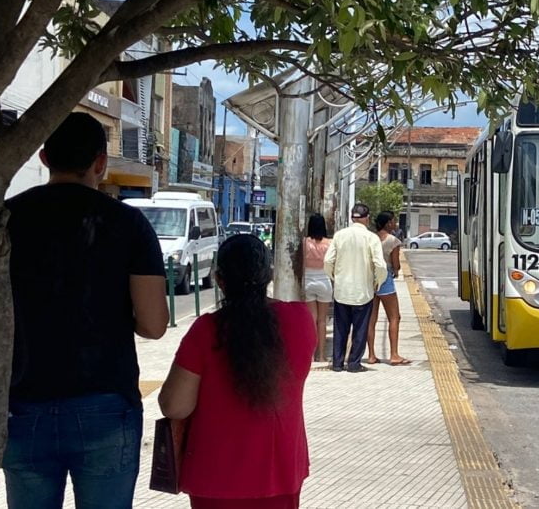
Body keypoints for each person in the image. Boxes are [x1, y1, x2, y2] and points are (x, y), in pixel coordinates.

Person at [3, 112, 169, 508]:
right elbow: (153, 325)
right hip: (106, 404)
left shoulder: (5, 220)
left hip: (22, 403)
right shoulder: (128, 224)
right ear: (100, 162)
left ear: (44, 158)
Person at [159, 234, 315, 508]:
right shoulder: (301, 320)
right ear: (268, 275)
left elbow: (174, 406)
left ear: (220, 280)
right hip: (279, 470)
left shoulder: (206, 331)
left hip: (215, 477)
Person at [323, 203, 387, 373]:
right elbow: (380, 265)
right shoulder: (372, 238)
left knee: (340, 329)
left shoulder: (339, 235)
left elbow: (328, 261)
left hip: (342, 290)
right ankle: (354, 364)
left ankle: (337, 363)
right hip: (363, 291)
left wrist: (334, 277)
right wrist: (377, 282)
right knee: (360, 329)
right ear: (367, 218)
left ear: (352, 218)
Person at [367, 212, 411, 366]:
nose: (395, 224)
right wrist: (397, 271)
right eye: (393, 221)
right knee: (394, 317)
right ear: (387, 223)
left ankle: (371, 355)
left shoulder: (371, 238)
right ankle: (394, 354)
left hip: (370, 280)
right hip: (385, 278)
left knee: (371, 319)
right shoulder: (393, 241)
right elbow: (396, 265)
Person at [304, 213, 333, 362]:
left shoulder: (304, 243)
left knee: (311, 320)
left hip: (308, 280)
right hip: (324, 280)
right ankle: (321, 356)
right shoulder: (329, 243)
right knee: (322, 321)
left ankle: (310, 355)